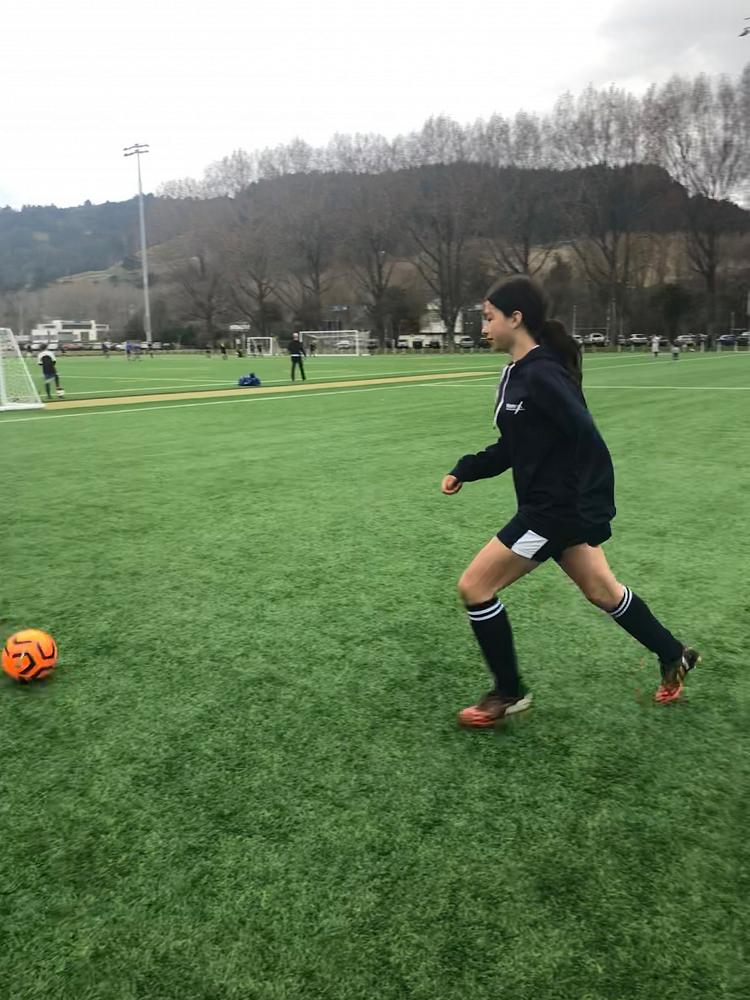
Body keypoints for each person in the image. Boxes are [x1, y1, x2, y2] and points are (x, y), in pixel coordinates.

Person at [442, 276, 699, 728]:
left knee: (475, 588)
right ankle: (672, 653)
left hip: (552, 513)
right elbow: (514, 445)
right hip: (553, 510)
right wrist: (467, 469)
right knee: (603, 591)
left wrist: (594, 511)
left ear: (515, 319)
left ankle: (508, 692)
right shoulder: (515, 373)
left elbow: (588, 439)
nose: (482, 327)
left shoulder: (543, 374)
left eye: (488, 317)